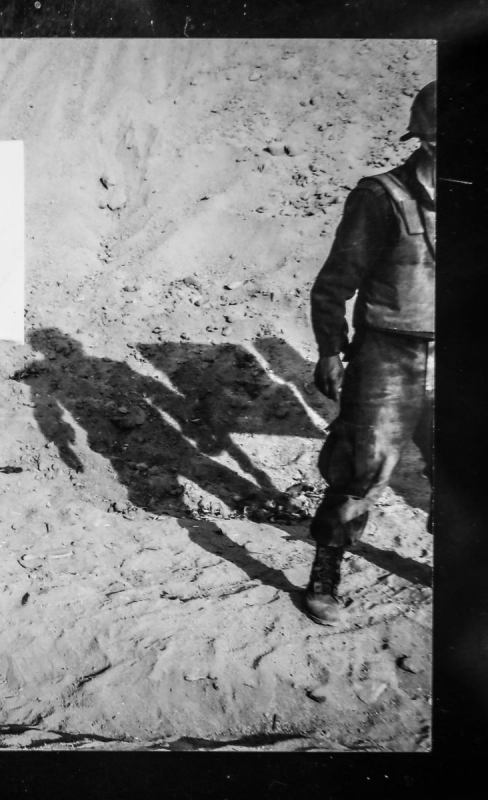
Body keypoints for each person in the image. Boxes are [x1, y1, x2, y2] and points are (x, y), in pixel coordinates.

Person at [304, 81, 436, 626]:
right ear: (428, 141)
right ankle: (325, 574)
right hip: (389, 352)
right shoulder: (380, 197)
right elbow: (334, 284)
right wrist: (330, 351)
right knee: (361, 468)